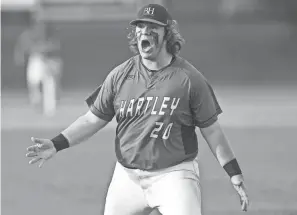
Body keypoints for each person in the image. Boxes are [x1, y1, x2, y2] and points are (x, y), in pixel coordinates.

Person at [26, 4, 249, 215]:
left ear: (167, 33)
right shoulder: (120, 75)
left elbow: (212, 130)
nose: (145, 32)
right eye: (141, 27)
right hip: (127, 177)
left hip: (174, 175)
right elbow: (91, 120)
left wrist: (234, 173)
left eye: (153, 27)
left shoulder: (189, 79)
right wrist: (56, 144)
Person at [14, 21, 62, 117]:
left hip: (47, 60)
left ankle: (50, 109)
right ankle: (37, 103)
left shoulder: (49, 34)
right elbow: (24, 47)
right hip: (36, 59)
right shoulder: (28, 35)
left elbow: (55, 45)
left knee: (49, 84)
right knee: (34, 83)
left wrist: (43, 48)